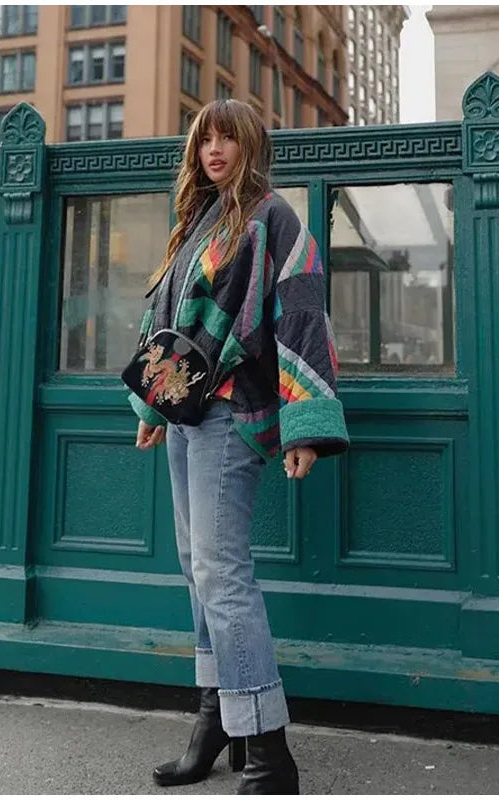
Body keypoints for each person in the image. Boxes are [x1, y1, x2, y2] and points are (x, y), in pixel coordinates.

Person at [129, 99, 349, 794]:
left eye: (227, 138)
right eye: (205, 140)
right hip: (187, 414)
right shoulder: (195, 222)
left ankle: (268, 749)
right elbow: (163, 315)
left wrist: (304, 428)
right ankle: (216, 718)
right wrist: (152, 405)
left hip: (234, 412)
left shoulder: (272, 218)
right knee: (198, 568)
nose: (214, 150)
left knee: (223, 574)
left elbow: (304, 313)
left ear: (251, 145)